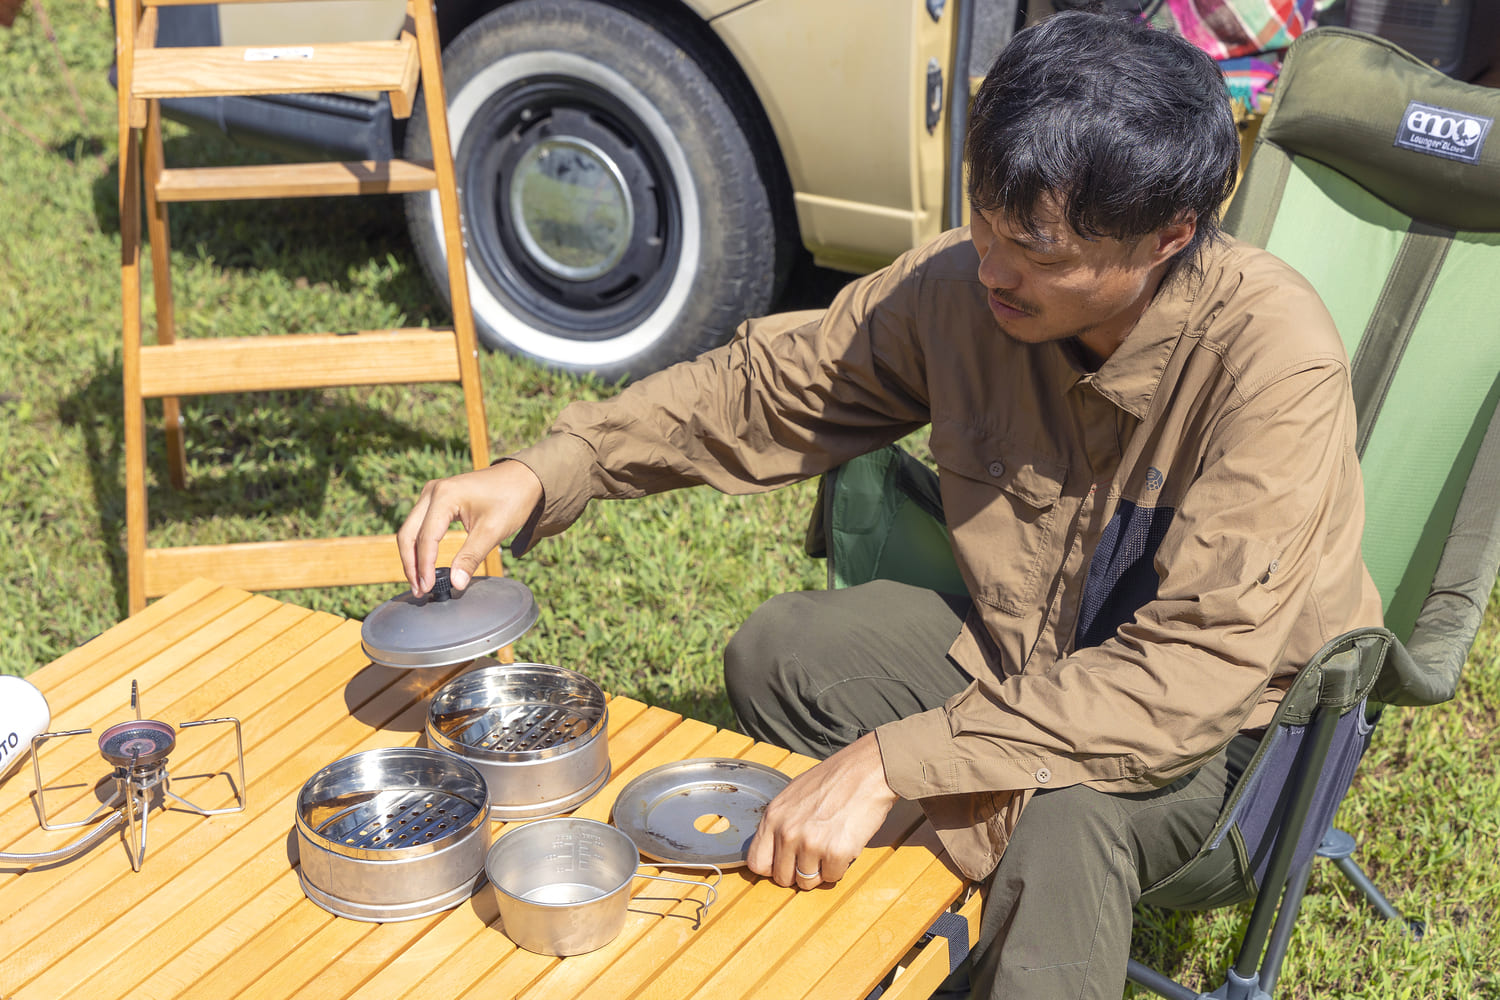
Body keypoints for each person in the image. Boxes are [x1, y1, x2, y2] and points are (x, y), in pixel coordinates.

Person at [397, 10, 1382, 997]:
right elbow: (773, 389)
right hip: (1021, 655)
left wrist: (898, 762)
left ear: (1168, 238)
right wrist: (548, 468)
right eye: (984, 219)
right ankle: (878, 929)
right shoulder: (970, 284)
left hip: (1232, 742)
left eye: (1036, 248)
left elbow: (1186, 678)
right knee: (784, 654)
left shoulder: (1270, 362)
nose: (991, 267)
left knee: (1067, 816)